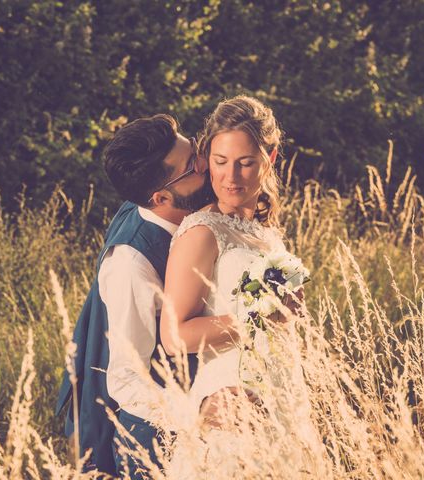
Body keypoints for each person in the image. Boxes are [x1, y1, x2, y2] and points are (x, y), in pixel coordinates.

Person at [160, 96, 323, 476]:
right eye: (220, 162)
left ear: (271, 158)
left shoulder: (266, 232)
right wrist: (262, 314)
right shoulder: (202, 232)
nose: (231, 176)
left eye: (245, 162)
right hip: (231, 400)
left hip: (281, 394)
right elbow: (174, 336)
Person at [55, 114, 212, 478]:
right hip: (156, 442)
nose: (205, 163)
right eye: (192, 166)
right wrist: (199, 413)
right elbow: (127, 379)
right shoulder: (131, 264)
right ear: (161, 197)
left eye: (196, 150)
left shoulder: (160, 207)